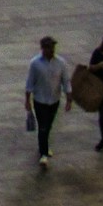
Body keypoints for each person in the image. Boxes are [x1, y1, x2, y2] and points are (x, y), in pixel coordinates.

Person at [25, 36, 74, 168]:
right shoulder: (35, 63)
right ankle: (43, 153)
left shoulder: (61, 63)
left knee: (48, 125)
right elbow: (30, 83)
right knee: (43, 126)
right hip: (40, 100)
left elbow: (66, 81)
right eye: (48, 48)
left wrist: (69, 99)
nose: (51, 50)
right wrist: (27, 100)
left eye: (52, 47)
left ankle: (44, 145)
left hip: (54, 100)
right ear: (43, 49)